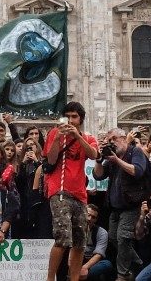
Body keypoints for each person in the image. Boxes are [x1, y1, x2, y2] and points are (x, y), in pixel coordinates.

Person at [44, 102, 100, 281]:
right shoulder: (54, 133)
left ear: (81, 119)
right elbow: (51, 159)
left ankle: (74, 279)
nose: (70, 120)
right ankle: (50, 278)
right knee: (62, 238)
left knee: (80, 242)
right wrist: (58, 139)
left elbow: (93, 155)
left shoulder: (89, 137)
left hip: (80, 195)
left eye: (74, 117)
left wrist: (78, 136)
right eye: (67, 116)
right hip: (59, 191)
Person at [93, 125, 151, 281]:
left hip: (132, 205)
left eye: (114, 139)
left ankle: (122, 274)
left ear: (124, 139)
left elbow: (137, 171)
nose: (111, 142)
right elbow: (98, 176)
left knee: (123, 238)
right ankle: (138, 262)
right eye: (108, 140)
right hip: (115, 207)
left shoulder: (135, 152)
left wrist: (116, 160)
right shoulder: (112, 157)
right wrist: (99, 159)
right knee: (113, 238)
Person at [79, 204, 113, 281]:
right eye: (88, 215)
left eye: (93, 217)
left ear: (96, 220)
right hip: (75, 261)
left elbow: (99, 254)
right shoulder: (73, 229)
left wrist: (84, 268)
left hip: (91, 263)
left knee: (106, 264)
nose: (89, 219)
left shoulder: (101, 232)